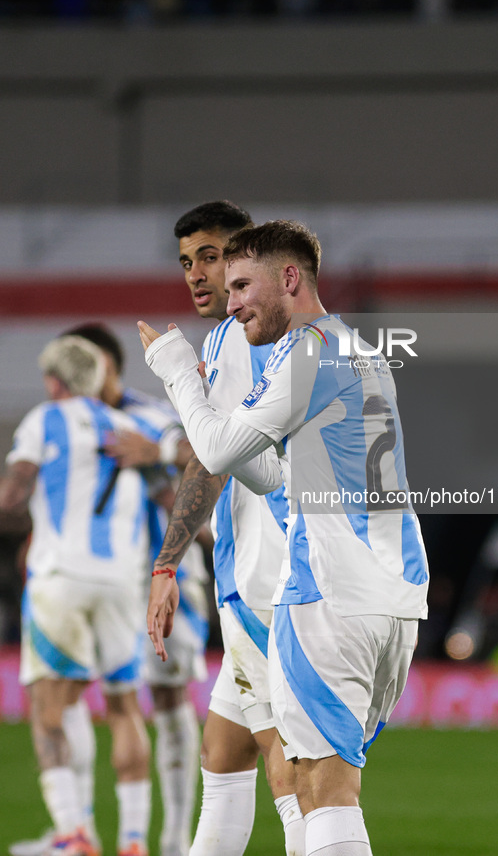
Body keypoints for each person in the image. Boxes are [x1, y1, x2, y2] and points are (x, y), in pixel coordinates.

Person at [141, 219, 429, 856]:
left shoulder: (305, 351)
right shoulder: (355, 348)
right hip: (395, 597)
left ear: (290, 278)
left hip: (329, 593)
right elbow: (270, 473)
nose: (231, 297)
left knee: (322, 790)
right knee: (306, 778)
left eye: (242, 283)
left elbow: (212, 449)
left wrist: (175, 370)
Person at [149, 201, 306, 856]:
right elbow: (209, 461)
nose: (196, 275)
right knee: (224, 754)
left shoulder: (247, 339)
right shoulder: (225, 342)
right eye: (186, 262)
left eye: (210, 257)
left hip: (278, 580)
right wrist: (167, 565)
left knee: (293, 771)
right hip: (247, 580)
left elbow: (218, 458)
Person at [0, 335, 156, 856]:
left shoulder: (45, 419)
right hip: (120, 580)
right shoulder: (131, 427)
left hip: (61, 577)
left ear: (54, 381)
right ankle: (133, 840)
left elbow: (15, 491)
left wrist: (25, 512)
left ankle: (73, 833)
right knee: (124, 706)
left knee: (49, 707)